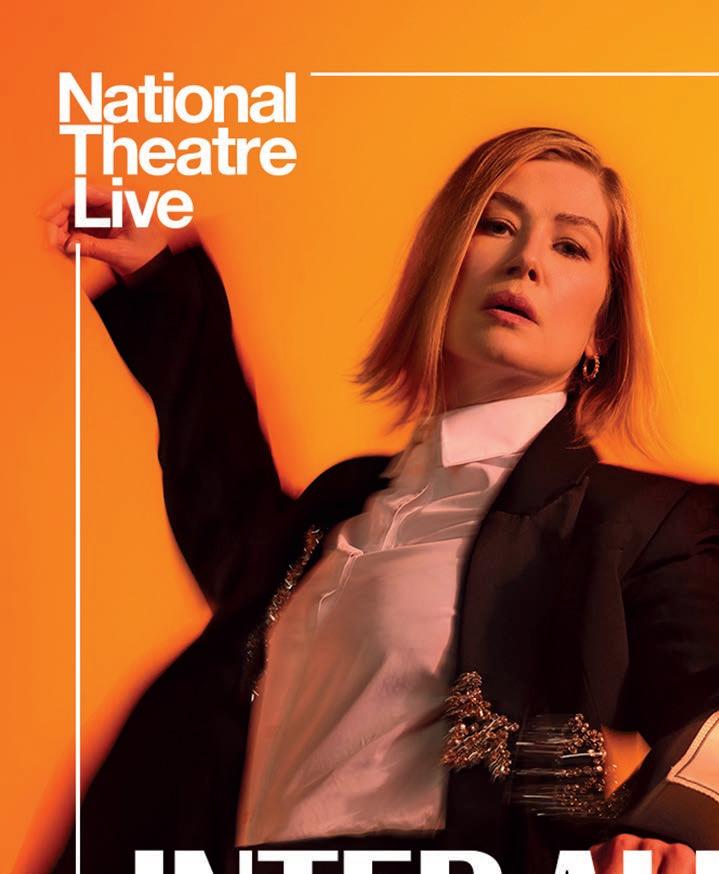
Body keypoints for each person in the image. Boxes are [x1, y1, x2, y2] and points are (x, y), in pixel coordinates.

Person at [43, 127, 719, 874]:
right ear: (442, 270)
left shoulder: (643, 526)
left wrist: (667, 840)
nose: (526, 260)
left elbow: (707, 716)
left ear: (603, 330)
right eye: (496, 225)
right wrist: (159, 280)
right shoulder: (343, 503)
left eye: (570, 246)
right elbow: (230, 516)